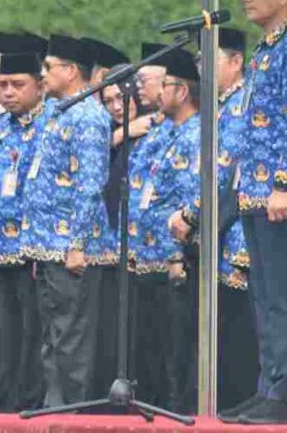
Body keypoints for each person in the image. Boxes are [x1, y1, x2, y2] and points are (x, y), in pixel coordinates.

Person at [220, 0, 287, 425]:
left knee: (285, 297)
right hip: (253, 193)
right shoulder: (266, 48)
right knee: (265, 297)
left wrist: (285, 183)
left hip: (279, 195)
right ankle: (269, 387)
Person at [168, 27, 259, 411]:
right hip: (212, 234)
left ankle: (233, 407)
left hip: (235, 233)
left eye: (211, 59)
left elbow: (223, 172)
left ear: (236, 62)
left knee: (235, 334)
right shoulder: (221, 105)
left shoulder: (242, 104)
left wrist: (190, 215)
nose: (202, 68)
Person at [22, 34, 112, 407]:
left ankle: (70, 413)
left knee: (71, 336)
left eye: (48, 68)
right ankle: (53, 408)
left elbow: (91, 185)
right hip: (48, 244)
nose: (42, 75)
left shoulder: (89, 117)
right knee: (52, 335)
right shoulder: (59, 113)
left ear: (72, 71)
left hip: (71, 246)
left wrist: (76, 243)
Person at [129, 48, 200, 414]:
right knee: (152, 352)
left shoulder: (195, 135)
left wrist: (176, 253)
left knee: (175, 353)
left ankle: (174, 414)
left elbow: (190, 196)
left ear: (183, 91)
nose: (159, 92)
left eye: (166, 84)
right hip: (147, 257)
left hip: (171, 260)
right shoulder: (167, 133)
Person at [0, 52, 49, 412]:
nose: (8, 92)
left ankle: (31, 407)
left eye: (18, 85)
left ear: (41, 86)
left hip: (33, 250)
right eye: (3, 84)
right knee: (6, 334)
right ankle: (8, 408)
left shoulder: (51, 125)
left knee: (33, 336)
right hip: (1, 249)